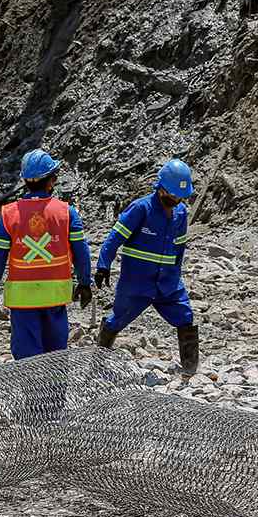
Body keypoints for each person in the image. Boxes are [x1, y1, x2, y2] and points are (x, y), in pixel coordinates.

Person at [0, 148, 92, 360]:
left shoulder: (10, 214)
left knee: (27, 360)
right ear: (51, 181)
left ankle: (32, 394)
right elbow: (81, 251)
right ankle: (56, 393)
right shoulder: (66, 212)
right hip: (55, 298)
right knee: (56, 357)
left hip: (23, 301)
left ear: (24, 180)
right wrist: (84, 282)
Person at [95, 160, 197, 375]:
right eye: (172, 196)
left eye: (180, 197)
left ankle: (190, 370)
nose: (176, 200)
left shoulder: (181, 214)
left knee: (185, 316)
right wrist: (103, 265)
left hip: (168, 282)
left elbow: (179, 249)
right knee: (118, 319)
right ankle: (99, 358)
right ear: (160, 189)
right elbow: (115, 239)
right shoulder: (141, 208)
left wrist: (176, 276)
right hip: (136, 282)